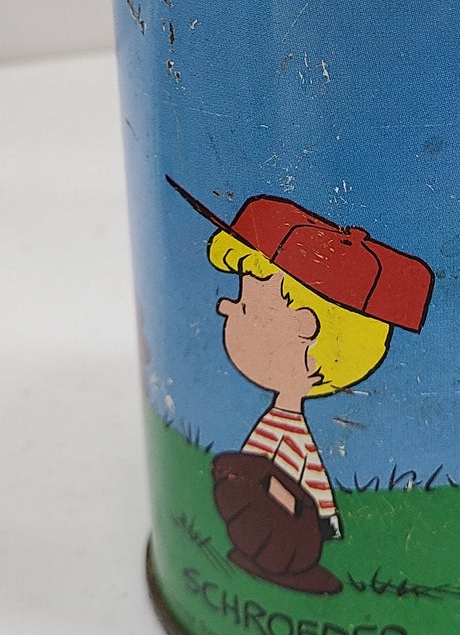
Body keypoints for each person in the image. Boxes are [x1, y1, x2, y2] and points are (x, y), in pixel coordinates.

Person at [167, 177, 434, 595]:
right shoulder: (280, 423)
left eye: (247, 304)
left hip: (289, 536)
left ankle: (280, 561)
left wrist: (319, 522)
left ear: (304, 328)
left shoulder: (292, 434)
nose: (225, 306)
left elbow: (306, 482)